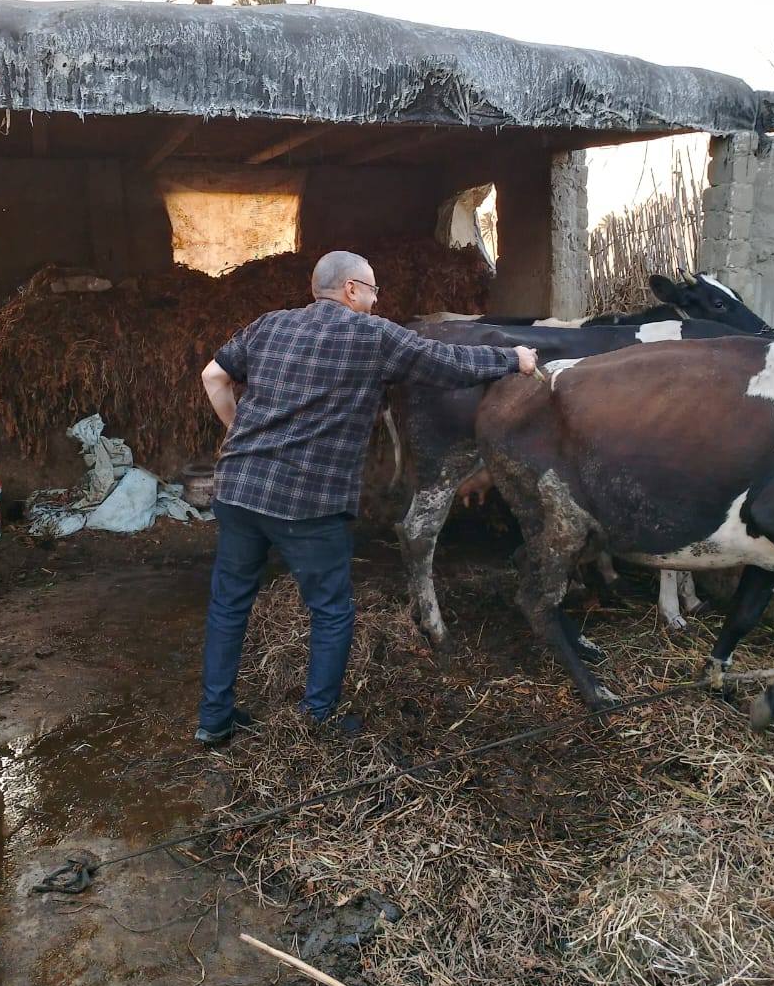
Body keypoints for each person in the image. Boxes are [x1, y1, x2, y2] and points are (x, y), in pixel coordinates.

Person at [195, 250, 538, 743]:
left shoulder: (269, 325)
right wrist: (514, 358)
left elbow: (214, 376)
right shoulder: (372, 336)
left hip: (238, 489)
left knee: (229, 605)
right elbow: (449, 362)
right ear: (352, 289)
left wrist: (240, 432)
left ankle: (213, 722)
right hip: (308, 501)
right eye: (374, 291)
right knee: (331, 610)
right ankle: (320, 720)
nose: (377, 301)